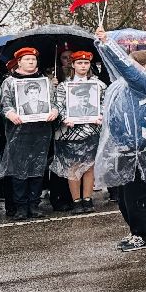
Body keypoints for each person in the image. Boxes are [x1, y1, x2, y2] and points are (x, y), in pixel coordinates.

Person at [92, 32, 146, 252]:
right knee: (125, 197)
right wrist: (102, 46)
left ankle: (144, 235)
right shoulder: (124, 83)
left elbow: (125, 68)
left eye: (132, 62)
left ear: (143, 67)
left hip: (139, 148)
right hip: (123, 145)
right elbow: (115, 67)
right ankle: (135, 231)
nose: (126, 66)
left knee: (138, 194)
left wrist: (109, 43)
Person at [0, 48, 57, 220]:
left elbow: (54, 102)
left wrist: (55, 110)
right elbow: (4, 104)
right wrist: (9, 113)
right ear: (19, 62)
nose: (31, 62)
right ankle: (21, 206)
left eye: (33, 59)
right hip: (18, 133)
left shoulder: (45, 81)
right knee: (19, 170)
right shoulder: (9, 82)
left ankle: (34, 204)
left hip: (41, 132)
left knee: (37, 169)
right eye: (27, 59)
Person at [51, 50, 101, 213]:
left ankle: (88, 199)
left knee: (89, 167)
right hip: (70, 132)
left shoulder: (98, 84)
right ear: (73, 65)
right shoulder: (64, 86)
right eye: (79, 63)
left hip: (92, 130)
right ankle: (76, 201)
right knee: (73, 167)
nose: (83, 66)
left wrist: (100, 115)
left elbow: (104, 103)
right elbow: (58, 105)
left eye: (86, 63)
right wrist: (65, 118)